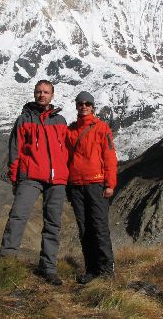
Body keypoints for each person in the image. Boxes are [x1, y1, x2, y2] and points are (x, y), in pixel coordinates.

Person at [0, 80, 69, 286]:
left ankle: (48, 268)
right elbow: (15, 151)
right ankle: (6, 264)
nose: (42, 95)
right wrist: (15, 178)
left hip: (56, 180)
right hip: (29, 177)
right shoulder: (24, 119)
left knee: (53, 224)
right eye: (39, 92)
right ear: (34, 93)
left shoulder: (61, 121)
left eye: (46, 92)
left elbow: (66, 150)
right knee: (17, 217)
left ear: (52, 95)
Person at [66, 91, 117, 284]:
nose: (84, 106)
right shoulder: (71, 131)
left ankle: (106, 270)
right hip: (77, 186)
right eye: (80, 103)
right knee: (84, 228)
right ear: (77, 106)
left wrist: (110, 184)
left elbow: (110, 158)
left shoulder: (102, 128)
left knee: (99, 227)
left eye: (87, 103)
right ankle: (91, 269)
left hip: (96, 184)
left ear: (93, 106)